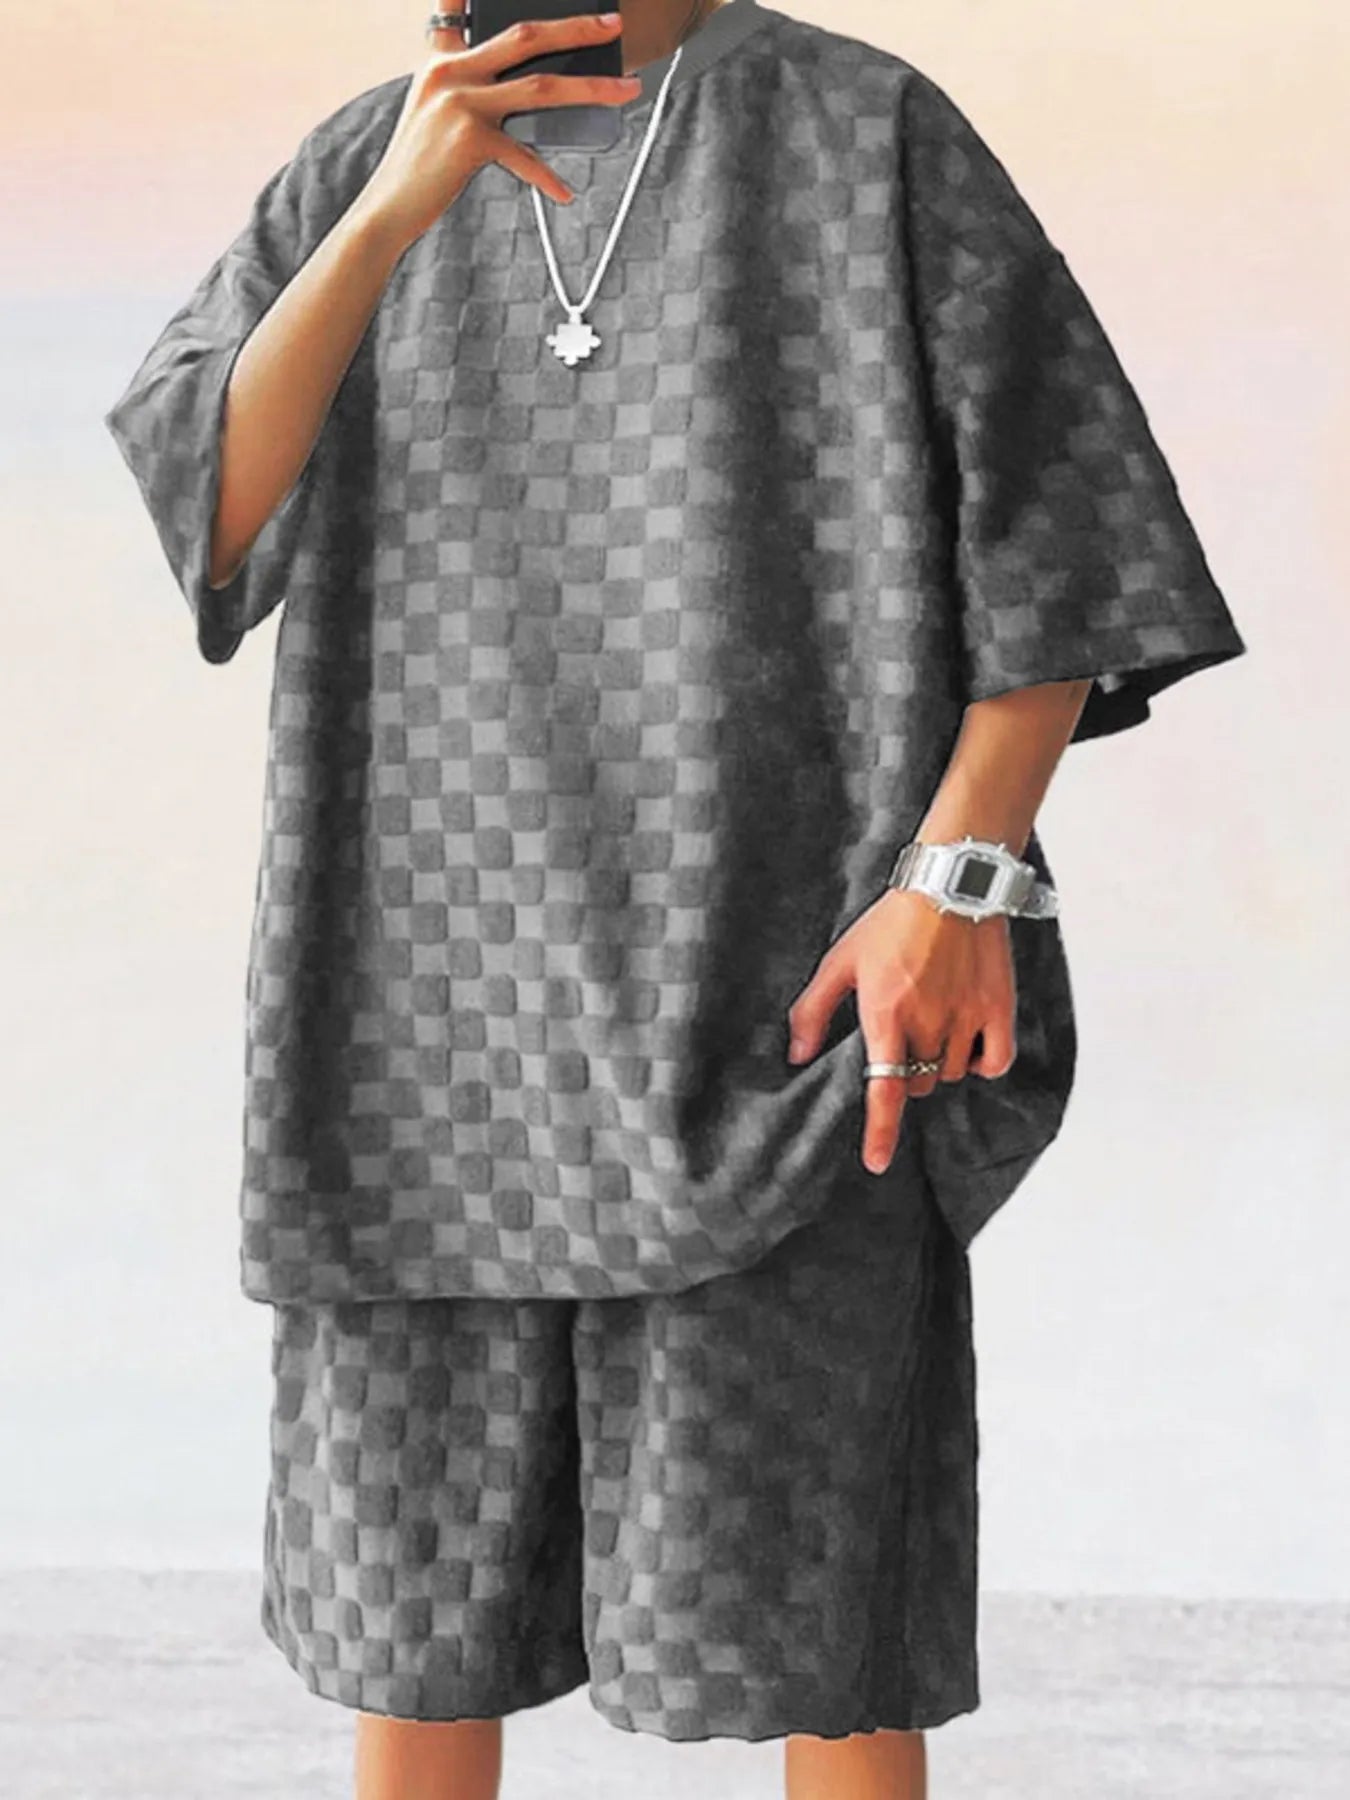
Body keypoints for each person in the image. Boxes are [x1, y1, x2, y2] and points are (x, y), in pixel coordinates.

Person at [103, 2, 1247, 1795]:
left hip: (784, 1001)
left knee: (822, 1645)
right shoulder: (366, 157)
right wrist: (395, 209)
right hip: (425, 1024)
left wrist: (953, 882)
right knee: (410, 1641)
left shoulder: (863, 134)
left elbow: (1060, 538)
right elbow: (216, 517)